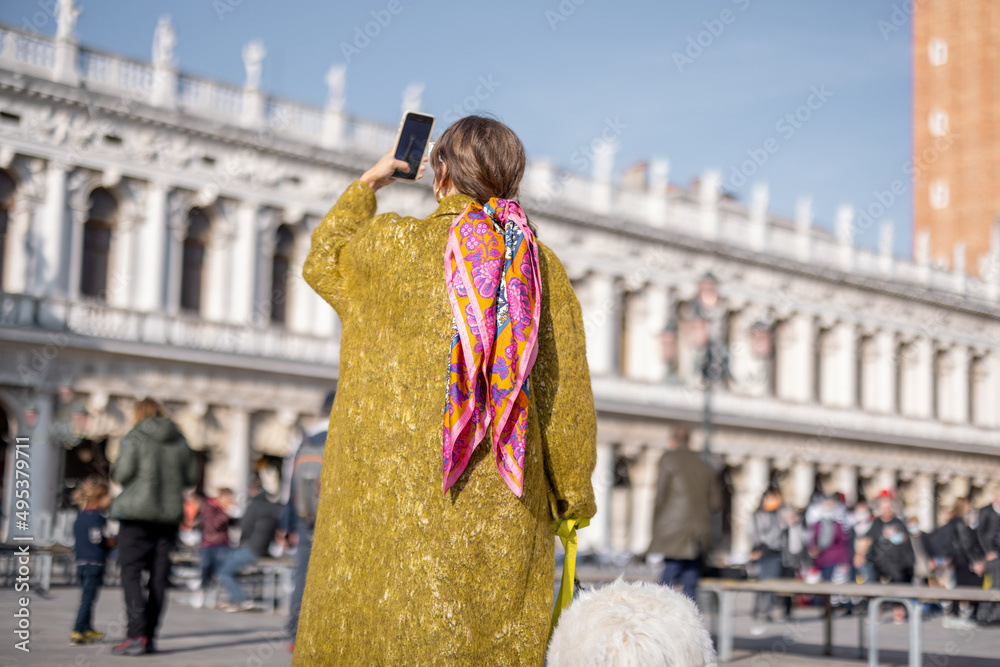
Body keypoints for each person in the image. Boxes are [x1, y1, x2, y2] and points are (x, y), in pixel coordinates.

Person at [294, 115, 597, 665]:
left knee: (372, 630)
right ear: (513, 180)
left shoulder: (388, 248)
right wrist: (572, 496)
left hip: (377, 501)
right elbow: (564, 398)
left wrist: (371, 182)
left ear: (441, 175)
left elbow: (323, 259)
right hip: (501, 504)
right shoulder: (537, 266)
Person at [109, 398, 197, 656]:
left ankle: (135, 634)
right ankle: (149, 636)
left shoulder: (134, 437)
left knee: (131, 573)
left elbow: (122, 475)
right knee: (159, 578)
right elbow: (191, 478)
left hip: (136, 514)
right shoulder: (180, 440)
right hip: (168, 516)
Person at [278, 390, 333, 650]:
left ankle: (294, 633)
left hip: (305, 516)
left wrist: (286, 524)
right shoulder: (341, 435)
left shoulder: (306, 439)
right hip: (332, 516)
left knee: (302, 574)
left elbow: (291, 483)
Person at [650, 426, 722, 603]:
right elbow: (716, 504)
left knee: (668, 578)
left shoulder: (668, 459)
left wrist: (655, 528)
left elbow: (660, 497)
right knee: (691, 578)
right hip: (697, 531)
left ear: (672, 441)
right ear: (689, 442)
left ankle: (661, 621)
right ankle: (691, 621)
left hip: (672, 528)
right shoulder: (704, 465)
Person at [218, 476, 283, 612]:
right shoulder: (272, 506)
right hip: (265, 548)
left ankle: (240, 599)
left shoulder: (254, 505)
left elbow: (245, 527)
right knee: (228, 560)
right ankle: (235, 597)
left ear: (251, 489)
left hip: (252, 548)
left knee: (224, 571)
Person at [854, 491, 914, 623]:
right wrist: (860, 554)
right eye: (883, 507)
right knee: (875, 587)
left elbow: (905, 540)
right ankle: (876, 613)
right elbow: (867, 539)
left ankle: (899, 612)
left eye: (888, 507)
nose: (886, 510)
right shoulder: (877, 523)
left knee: (899, 588)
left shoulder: (898, 522)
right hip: (880, 563)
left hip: (898, 564)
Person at [71, 476, 114, 645]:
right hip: (94, 563)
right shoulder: (98, 518)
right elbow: (98, 539)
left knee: (87, 596)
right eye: (107, 496)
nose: (109, 500)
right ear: (99, 498)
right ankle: (78, 629)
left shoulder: (80, 516)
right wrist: (111, 542)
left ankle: (87, 627)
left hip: (80, 561)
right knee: (88, 599)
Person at [930, 498, 984, 629]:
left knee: (959, 587)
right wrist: (974, 561)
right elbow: (965, 544)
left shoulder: (953, 521)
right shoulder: (960, 523)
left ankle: (955, 615)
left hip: (957, 559)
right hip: (963, 560)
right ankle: (963, 615)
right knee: (970, 586)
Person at [750, 488, 791, 622]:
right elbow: (756, 533)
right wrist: (756, 548)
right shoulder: (758, 515)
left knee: (771, 582)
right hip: (761, 552)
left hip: (775, 552)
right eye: (770, 497)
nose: (773, 501)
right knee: (761, 582)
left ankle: (766, 610)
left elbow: (784, 531)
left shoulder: (780, 514)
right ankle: (759, 610)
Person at [193, 488, 236, 609]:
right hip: (208, 544)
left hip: (223, 544)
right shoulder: (210, 507)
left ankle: (214, 593)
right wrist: (226, 512)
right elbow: (215, 525)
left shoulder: (225, 510)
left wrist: (235, 514)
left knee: (221, 571)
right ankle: (201, 590)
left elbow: (235, 525)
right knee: (205, 568)